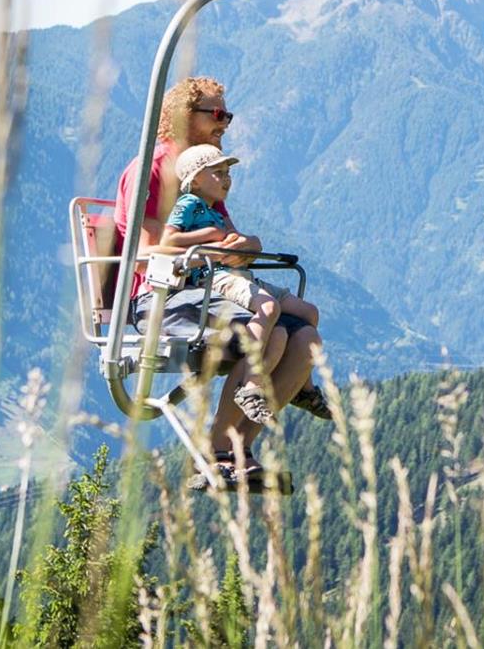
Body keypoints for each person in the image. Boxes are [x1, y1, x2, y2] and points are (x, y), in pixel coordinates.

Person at [110, 76, 330, 488]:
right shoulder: (152, 168)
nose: (224, 122)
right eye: (215, 113)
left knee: (303, 340)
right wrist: (208, 247)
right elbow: (145, 250)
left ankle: (234, 447)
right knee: (269, 335)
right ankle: (216, 452)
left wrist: (241, 245)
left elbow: (227, 241)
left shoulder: (206, 173)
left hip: (210, 290)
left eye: (226, 114)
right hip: (166, 297)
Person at [162, 143, 322, 425]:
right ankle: (250, 385)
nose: (226, 179)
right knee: (269, 308)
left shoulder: (217, 212)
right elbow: (168, 241)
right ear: (195, 179)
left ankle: (303, 388)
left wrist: (242, 243)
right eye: (218, 173)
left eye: (228, 173)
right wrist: (210, 236)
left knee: (308, 313)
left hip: (239, 274)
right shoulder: (188, 204)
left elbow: (235, 241)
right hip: (215, 276)